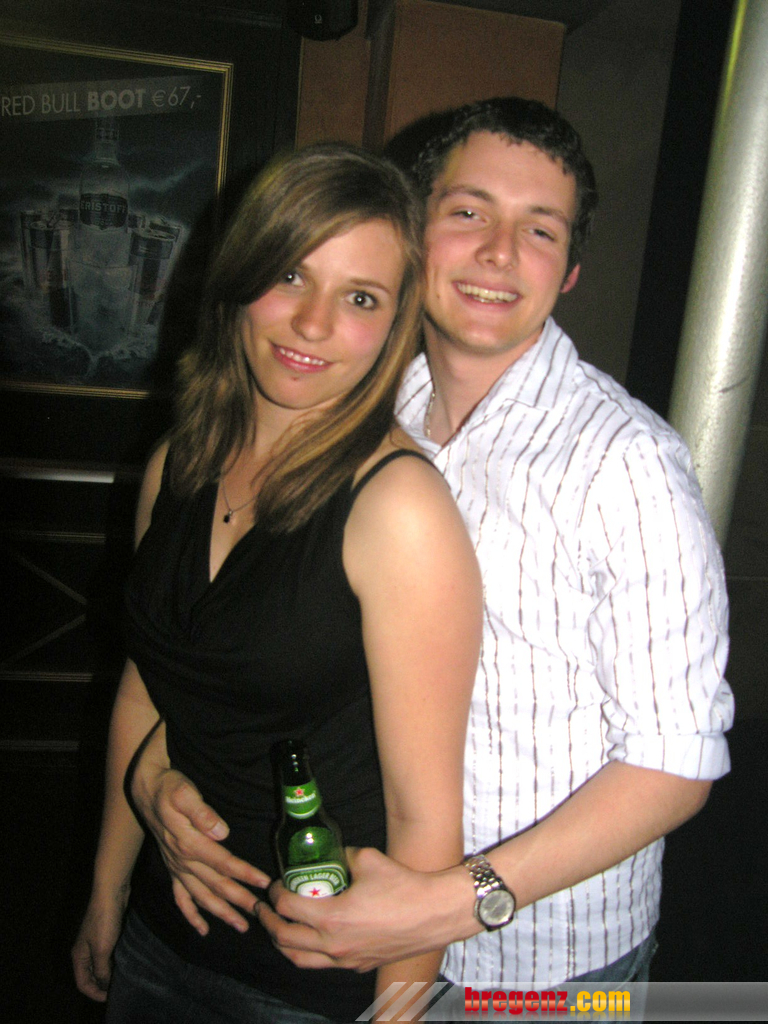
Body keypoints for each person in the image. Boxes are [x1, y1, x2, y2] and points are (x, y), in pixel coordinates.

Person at [124, 98, 734, 996]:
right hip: (350, 931)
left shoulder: (625, 462)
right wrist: (156, 765)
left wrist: (448, 904)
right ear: (415, 236)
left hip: (542, 965)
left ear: (570, 271)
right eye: (469, 212)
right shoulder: (368, 403)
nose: (499, 253)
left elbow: (676, 763)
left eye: (540, 230)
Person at [71, 142, 483, 1023]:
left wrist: (396, 1011)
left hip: (311, 979)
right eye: (291, 274)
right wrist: (107, 890)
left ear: (395, 327)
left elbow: (423, 823)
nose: (312, 323)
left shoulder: (398, 508)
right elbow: (146, 687)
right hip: (162, 931)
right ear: (242, 274)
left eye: (361, 298)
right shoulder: (178, 462)